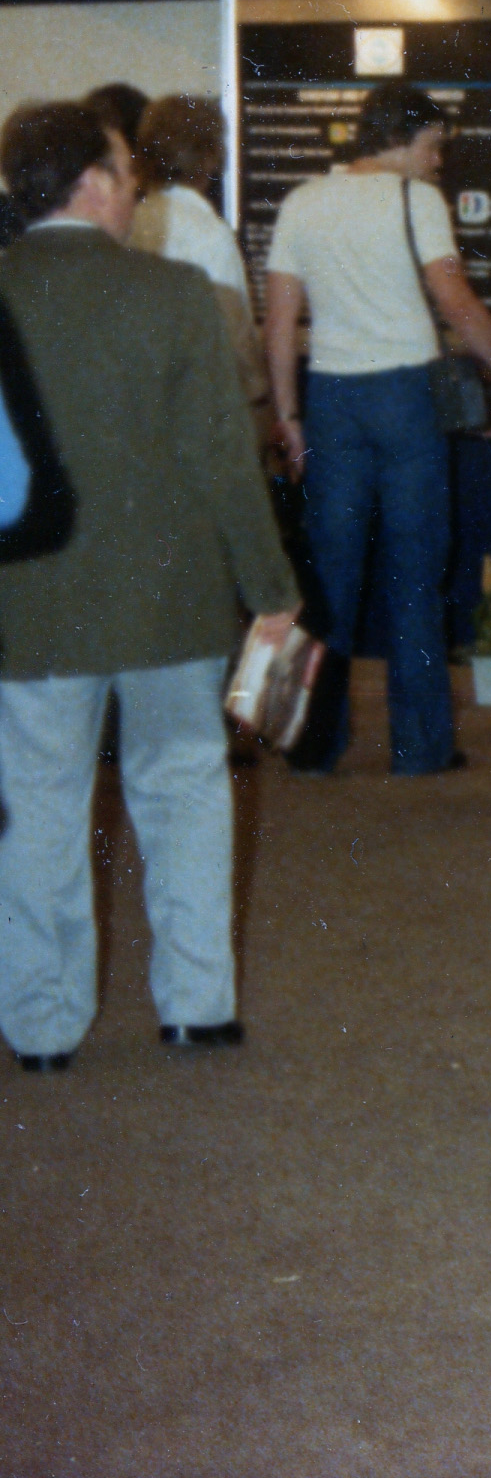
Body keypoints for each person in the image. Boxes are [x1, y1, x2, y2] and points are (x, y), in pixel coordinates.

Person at [0, 103, 299, 1071]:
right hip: (171, 600)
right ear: (92, 183)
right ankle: (196, 1006)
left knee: (38, 806)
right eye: (127, 173)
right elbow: (222, 459)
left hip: (28, 606)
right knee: (183, 793)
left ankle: (41, 1026)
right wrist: (271, 586)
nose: (136, 190)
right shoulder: (174, 295)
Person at [262, 80, 491, 778]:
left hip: (331, 397)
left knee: (329, 576)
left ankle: (313, 743)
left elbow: (280, 321)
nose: (438, 162)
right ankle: (422, 747)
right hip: (408, 397)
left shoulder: (302, 202)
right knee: (415, 575)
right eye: (433, 146)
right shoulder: (418, 201)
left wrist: (289, 415)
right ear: (399, 140)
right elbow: (453, 299)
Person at [127, 93, 273, 454]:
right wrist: (262, 401)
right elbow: (234, 333)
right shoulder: (209, 234)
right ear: (209, 156)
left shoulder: (126, 223)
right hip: (202, 416)